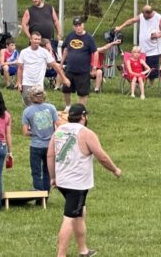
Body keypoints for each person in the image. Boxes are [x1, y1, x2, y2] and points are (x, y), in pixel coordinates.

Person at [48, 103, 122, 257]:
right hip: (77, 184)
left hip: (62, 180)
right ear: (83, 116)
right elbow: (101, 157)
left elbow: (50, 155)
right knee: (69, 217)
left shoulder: (59, 131)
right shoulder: (87, 133)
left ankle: (83, 250)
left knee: (80, 212)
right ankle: (61, 254)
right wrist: (115, 169)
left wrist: (53, 177)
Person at [114, 5, 161, 86]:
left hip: (154, 50)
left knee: (152, 71)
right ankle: (141, 83)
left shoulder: (158, 18)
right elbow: (132, 20)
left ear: (149, 13)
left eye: (144, 14)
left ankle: (151, 85)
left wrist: (158, 35)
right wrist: (120, 27)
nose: (142, 16)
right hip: (143, 49)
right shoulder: (142, 16)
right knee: (141, 67)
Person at [16, 31, 67, 107]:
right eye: (35, 39)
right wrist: (19, 82)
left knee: (38, 105)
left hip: (38, 84)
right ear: (31, 39)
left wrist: (64, 78)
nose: (37, 41)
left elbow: (54, 65)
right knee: (28, 106)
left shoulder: (44, 52)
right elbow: (20, 68)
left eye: (39, 39)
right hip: (26, 82)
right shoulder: (24, 52)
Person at [22, 86, 58, 192]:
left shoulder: (27, 112)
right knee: (47, 171)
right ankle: (45, 195)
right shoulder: (51, 108)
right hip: (50, 145)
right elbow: (58, 125)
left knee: (36, 172)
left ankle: (38, 196)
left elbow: (25, 132)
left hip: (36, 145)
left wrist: (34, 133)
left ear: (31, 97)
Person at [61, 17, 98, 109]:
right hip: (70, 69)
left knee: (82, 92)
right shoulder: (70, 36)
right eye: (76, 25)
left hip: (83, 70)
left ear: (83, 25)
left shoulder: (89, 38)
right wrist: (61, 63)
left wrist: (94, 67)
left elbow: (95, 52)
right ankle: (68, 107)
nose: (78, 27)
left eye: (79, 25)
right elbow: (66, 49)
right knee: (66, 89)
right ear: (73, 26)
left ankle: (81, 109)